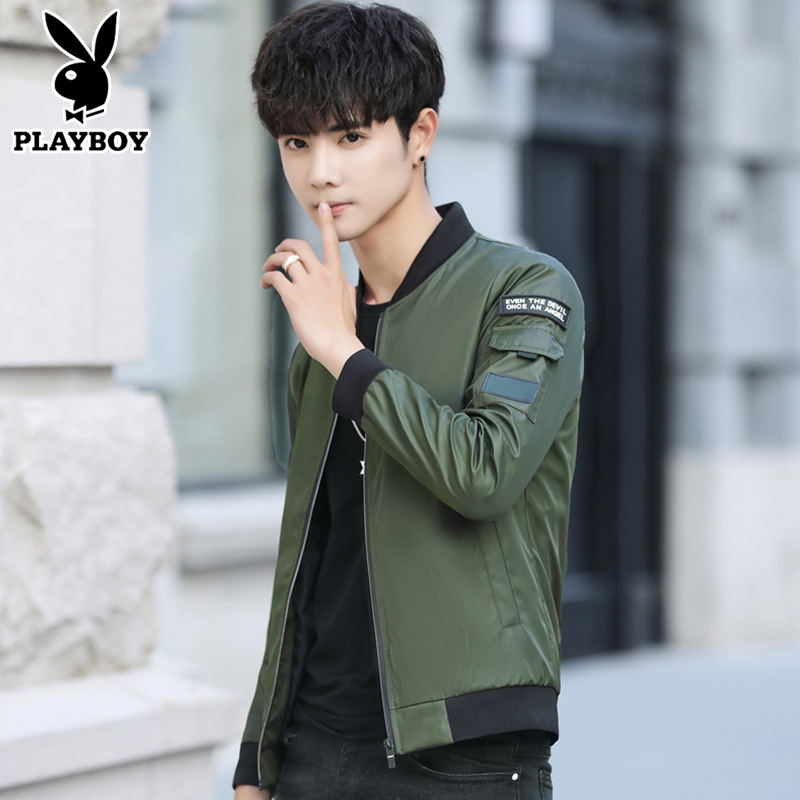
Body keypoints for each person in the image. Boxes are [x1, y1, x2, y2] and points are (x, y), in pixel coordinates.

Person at [233, 3, 584, 798]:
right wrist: (258, 756)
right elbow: (305, 556)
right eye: (296, 142)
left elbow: (483, 472)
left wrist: (346, 353)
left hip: (466, 753)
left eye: (350, 137)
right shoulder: (321, 343)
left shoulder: (524, 290)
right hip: (316, 751)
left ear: (420, 134)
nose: (320, 172)